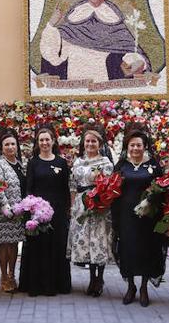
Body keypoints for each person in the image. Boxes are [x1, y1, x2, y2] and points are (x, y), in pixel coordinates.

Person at [39, 0, 151, 82]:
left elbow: (128, 47)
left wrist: (135, 61)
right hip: (74, 72)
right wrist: (51, 24)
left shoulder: (112, 16)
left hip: (104, 75)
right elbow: (53, 50)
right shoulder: (76, 15)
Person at [111, 126, 164, 306]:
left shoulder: (153, 166)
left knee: (146, 251)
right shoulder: (121, 166)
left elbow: (162, 188)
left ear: (144, 146)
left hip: (148, 219)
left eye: (139, 145)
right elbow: (114, 192)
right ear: (127, 147)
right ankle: (131, 286)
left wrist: (152, 199)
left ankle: (143, 287)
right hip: (127, 217)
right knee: (128, 251)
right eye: (132, 145)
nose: (135, 148)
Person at [18, 125, 71, 296]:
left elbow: (65, 189)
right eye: (41, 140)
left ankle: (55, 285)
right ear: (37, 143)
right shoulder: (33, 163)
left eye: (47, 139)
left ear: (53, 141)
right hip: (37, 213)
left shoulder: (61, 163)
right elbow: (29, 188)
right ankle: (35, 285)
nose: (44, 143)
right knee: (37, 248)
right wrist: (31, 210)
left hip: (58, 213)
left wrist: (66, 211)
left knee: (56, 247)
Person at [67, 125, 114, 297]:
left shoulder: (106, 163)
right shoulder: (78, 161)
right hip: (82, 204)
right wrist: (73, 206)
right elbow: (73, 184)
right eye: (87, 141)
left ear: (99, 144)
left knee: (98, 241)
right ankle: (91, 278)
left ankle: (99, 279)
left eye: (93, 141)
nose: (90, 144)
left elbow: (108, 184)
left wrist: (99, 199)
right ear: (83, 143)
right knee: (86, 242)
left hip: (100, 205)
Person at [0, 128, 25, 293]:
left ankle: (12, 274)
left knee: (14, 244)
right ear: (1, 147)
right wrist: (5, 207)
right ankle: (4, 276)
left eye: (13, 144)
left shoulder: (19, 163)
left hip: (18, 213)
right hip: (5, 213)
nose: (10, 147)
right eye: (7, 144)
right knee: (5, 245)